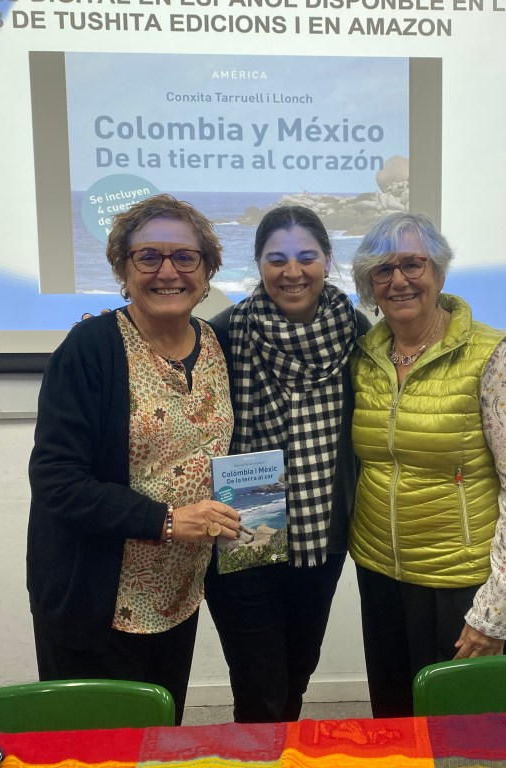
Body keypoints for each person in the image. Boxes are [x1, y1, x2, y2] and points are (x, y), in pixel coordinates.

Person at [26, 194, 242, 724]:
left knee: (159, 733)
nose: (168, 271)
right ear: (124, 270)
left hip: (178, 592)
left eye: (185, 257)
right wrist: (166, 521)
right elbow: (56, 481)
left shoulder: (216, 344)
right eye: (148, 257)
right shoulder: (90, 347)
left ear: (207, 270)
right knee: (93, 747)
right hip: (96, 598)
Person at [349, 212, 506, 718]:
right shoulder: (365, 356)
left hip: (462, 584)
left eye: (412, 264)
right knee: (395, 722)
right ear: (369, 285)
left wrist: (497, 610)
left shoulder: (493, 357)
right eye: (382, 269)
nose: (398, 280)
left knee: (467, 732)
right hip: (381, 575)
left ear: (438, 271)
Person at [204, 205, 371, 723]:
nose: (292, 271)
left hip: (322, 534)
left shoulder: (356, 330)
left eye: (306, 257)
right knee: (259, 684)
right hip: (244, 530)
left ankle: (281, 750)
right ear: (258, 263)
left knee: (297, 670)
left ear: (327, 260)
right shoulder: (224, 333)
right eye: (277, 259)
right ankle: (260, 750)